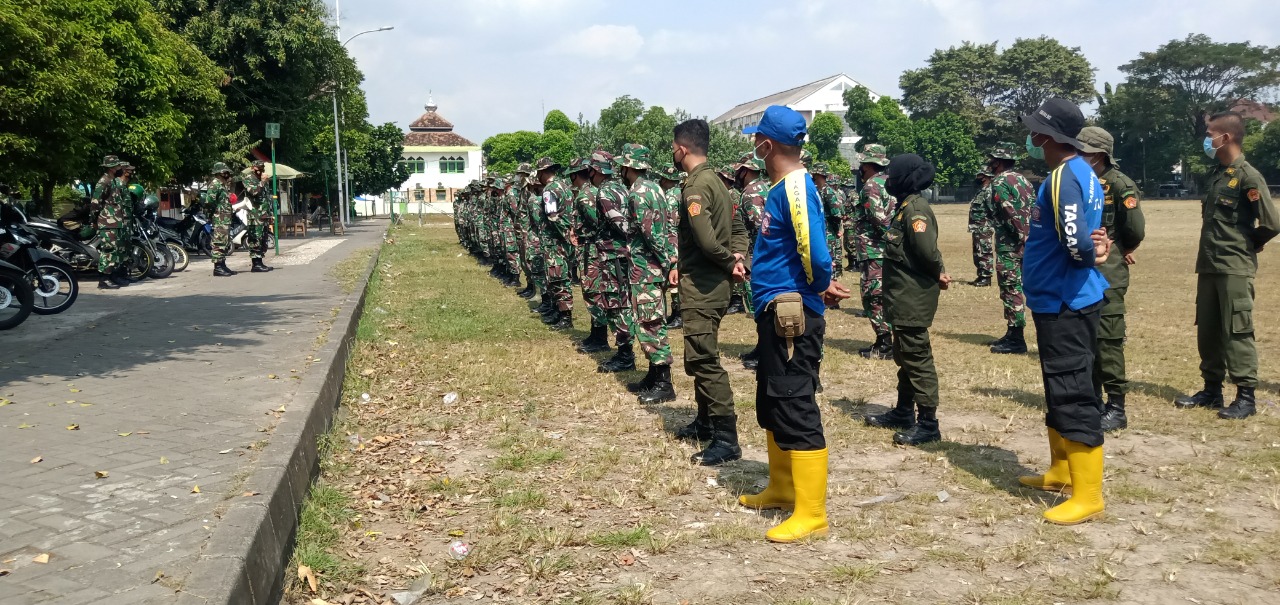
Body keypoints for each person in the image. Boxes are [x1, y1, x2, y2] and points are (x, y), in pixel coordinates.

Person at [736, 106, 850, 543]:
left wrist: (819, 285)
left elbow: (817, 254)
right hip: (773, 308)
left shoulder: (797, 188)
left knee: (795, 400)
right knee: (774, 398)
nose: (754, 147)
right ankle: (783, 488)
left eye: (757, 140)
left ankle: (812, 512)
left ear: (769, 144)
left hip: (792, 314)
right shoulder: (782, 186)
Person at [1015, 98, 1112, 525]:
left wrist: (1094, 254)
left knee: (1073, 390)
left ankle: (1088, 494)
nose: (1031, 137)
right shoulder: (1080, 174)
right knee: (1058, 385)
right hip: (1057, 297)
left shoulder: (1063, 180)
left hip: (1066, 299)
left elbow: (1077, 243)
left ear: (1047, 136)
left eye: (1036, 130)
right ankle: (1060, 471)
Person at [1175, 112, 1280, 420]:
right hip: (1209, 264)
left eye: (1211, 133)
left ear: (1227, 137)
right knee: (1207, 330)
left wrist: (1251, 242)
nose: (1207, 139)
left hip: (1234, 265)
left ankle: (1245, 397)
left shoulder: (1249, 175)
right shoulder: (1218, 175)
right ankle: (1211, 390)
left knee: (1236, 329)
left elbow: (1272, 222)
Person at [669, 119, 750, 465]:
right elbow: (739, 228)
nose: (672, 153)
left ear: (683, 149)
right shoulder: (719, 182)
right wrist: (738, 256)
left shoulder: (695, 187)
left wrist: (726, 261)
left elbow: (705, 240)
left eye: (673, 148)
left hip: (703, 286)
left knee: (704, 359)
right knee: (698, 355)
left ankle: (726, 438)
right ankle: (704, 421)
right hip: (715, 285)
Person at [864, 154, 950, 445]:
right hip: (901, 298)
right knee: (906, 358)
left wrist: (939, 271)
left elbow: (926, 253)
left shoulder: (915, 212)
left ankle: (928, 423)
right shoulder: (904, 209)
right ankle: (903, 411)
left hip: (912, 298)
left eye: (893, 175)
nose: (888, 180)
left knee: (918, 359)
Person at [1078, 127, 1146, 431]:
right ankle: (1091, 399)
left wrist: (1121, 248)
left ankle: (1116, 407)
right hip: (1083, 270)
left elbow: (1133, 229)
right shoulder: (1079, 180)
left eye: (1083, 151)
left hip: (1109, 271)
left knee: (1108, 339)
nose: (1077, 155)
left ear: (1098, 154)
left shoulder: (1120, 185)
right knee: (1087, 339)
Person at [615, 145, 678, 403]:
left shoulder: (638, 193)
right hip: (650, 266)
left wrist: (667, 262)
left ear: (628, 166)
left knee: (650, 322)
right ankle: (653, 374)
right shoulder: (655, 188)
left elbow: (651, 233)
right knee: (647, 318)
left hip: (646, 268)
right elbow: (669, 225)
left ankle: (664, 382)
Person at [591, 151, 639, 373]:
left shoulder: (605, 193)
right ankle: (625, 351)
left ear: (597, 170)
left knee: (617, 304)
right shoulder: (621, 187)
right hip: (620, 255)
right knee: (621, 302)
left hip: (614, 257)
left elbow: (621, 224)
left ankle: (625, 355)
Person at [986, 143, 1036, 354]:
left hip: (1012, 245)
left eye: (992, 160)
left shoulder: (998, 182)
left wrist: (1022, 237)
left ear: (998, 161)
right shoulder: (1024, 180)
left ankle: (1016, 339)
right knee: (1023, 288)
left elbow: (1008, 212)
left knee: (1011, 290)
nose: (989, 164)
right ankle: (1012, 332)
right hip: (1031, 241)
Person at [852, 145, 894, 359]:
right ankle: (886, 340)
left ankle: (885, 344)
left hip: (874, 251)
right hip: (883, 251)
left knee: (873, 297)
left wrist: (891, 240)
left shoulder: (871, 187)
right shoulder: (889, 182)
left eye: (861, 164)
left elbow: (880, 220)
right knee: (883, 295)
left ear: (867, 165)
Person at [570, 159, 610, 351]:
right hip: (591, 249)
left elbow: (599, 223)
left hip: (592, 251)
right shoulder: (590, 192)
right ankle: (596, 334)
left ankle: (600, 338)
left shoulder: (585, 196)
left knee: (594, 292)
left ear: (574, 175)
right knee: (592, 292)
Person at [736, 156, 770, 370]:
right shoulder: (767, 187)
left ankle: (766, 351)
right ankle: (762, 346)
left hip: (758, 258)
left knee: (761, 306)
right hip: (764, 258)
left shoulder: (751, 193)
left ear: (746, 171)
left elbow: (760, 228)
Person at [656, 163, 686, 330]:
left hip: (674, 241)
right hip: (679, 241)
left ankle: (678, 314)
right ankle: (676, 313)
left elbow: (671, 226)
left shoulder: (672, 196)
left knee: (674, 279)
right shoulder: (677, 192)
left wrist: (672, 252)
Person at [93, 156, 131, 289]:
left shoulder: (113, 181)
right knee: (108, 251)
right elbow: (95, 203)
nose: (119, 168)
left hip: (115, 222)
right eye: (116, 166)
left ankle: (111, 277)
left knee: (113, 251)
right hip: (107, 222)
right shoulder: (103, 181)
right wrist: (94, 220)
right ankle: (103, 279)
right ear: (110, 167)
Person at [811, 163, 845, 289]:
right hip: (821, 231)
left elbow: (837, 214)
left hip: (829, 232)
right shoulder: (817, 190)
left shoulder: (827, 191)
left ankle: (832, 292)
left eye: (814, 174)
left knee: (831, 261)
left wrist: (835, 229)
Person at [243, 160, 275, 273]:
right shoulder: (248, 178)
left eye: (262, 169)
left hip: (264, 215)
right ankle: (255, 264)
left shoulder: (263, 180)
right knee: (255, 238)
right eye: (258, 169)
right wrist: (262, 182)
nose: (260, 171)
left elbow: (266, 198)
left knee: (263, 239)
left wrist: (270, 214)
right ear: (253, 168)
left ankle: (260, 262)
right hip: (255, 215)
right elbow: (254, 192)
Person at [208, 162, 237, 277]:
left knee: (224, 241)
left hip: (225, 218)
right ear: (220, 172)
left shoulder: (222, 184)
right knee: (219, 242)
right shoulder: (215, 184)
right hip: (219, 217)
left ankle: (222, 264)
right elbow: (210, 201)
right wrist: (217, 211)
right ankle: (218, 267)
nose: (228, 174)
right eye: (225, 172)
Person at [968, 169, 995, 287]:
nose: (976, 177)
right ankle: (981, 275)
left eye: (979, 175)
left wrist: (989, 225)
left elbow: (993, 210)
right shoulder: (980, 191)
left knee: (984, 251)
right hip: (977, 227)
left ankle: (986, 277)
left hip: (984, 227)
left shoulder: (988, 192)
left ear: (985, 177)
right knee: (978, 252)